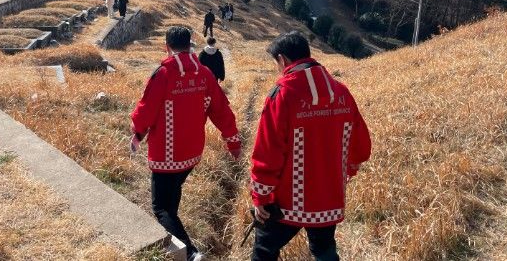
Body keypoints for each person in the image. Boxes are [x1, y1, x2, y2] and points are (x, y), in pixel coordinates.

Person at [249, 31, 371, 261]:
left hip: (287, 201)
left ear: (282, 59)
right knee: (324, 251)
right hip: (330, 198)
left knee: (264, 251)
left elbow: (268, 152)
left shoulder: (283, 94)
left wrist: (260, 196)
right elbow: (361, 146)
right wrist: (349, 169)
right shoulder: (342, 92)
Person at [130, 26, 241, 261]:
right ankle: (176, 238)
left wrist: (137, 133)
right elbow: (221, 110)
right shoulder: (205, 74)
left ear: (167, 47)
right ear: (189, 45)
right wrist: (233, 141)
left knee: (160, 207)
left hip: (167, 154)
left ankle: (190, 253)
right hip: (192, 152)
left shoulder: (163, 74)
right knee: (172, 195)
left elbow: (145, 111)